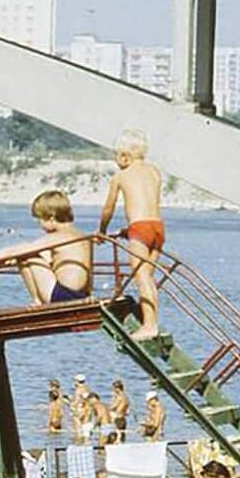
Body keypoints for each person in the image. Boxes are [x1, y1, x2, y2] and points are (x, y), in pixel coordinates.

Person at [0, 188, 92, 306]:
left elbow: (16, 251)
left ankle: (37, 301)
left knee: (24, 255)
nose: (40, 225)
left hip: (62, 296)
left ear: (51, 219)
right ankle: (39, 299)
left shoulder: (58, 237)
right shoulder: (81, 236)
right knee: (27, 255)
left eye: (40, 219)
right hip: (81, 295)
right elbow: (56, 262)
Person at [96, 128, 166, 338]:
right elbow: (148, 205)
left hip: (140, 229)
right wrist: (127, 231)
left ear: (125, 156)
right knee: (148, 278)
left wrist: (102, 231)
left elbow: (108, 208)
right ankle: (151, 320)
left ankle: (149, 326)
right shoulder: (154, 172)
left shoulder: (121, 176)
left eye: (117, 156)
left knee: (141, 276)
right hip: (157, 227)